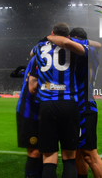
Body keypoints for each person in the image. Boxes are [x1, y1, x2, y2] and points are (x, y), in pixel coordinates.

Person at [29, 22, 87, 178]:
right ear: (68, 36)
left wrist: (45, 41)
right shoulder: (74, 46)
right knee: (69, 159)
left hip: (46, 104)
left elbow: (31, 54)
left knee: (49, 158)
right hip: (69, 103)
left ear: (52, 33)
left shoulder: (39, 48)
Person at [69, 27, 102, 178]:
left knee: (90, 155)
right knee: (78, 151)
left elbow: (98, 44)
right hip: (79, 106)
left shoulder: (88, 52)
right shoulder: (88, 52)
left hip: (84, 107)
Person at [13, 59, 42, 178]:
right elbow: (33, 88)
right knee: (34, 153)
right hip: (28, 112)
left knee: (44, 152)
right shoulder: (39, 59)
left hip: (43, 113)